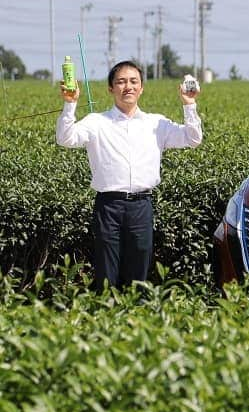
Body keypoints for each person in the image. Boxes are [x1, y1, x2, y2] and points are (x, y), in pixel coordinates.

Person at [56, 60, 203, 290]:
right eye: (121, 82)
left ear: (142, 87)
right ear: (111, 88)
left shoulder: (156, 123)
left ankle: (135, 319)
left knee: (139, 272)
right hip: (108, 205)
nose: (128, 87)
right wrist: (69, 105)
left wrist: (189, 105)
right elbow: (65, 138)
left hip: (141, 206)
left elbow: (193, 139)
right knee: (106, 272)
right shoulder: (97, 122)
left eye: (134, 81)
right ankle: (106, 317)